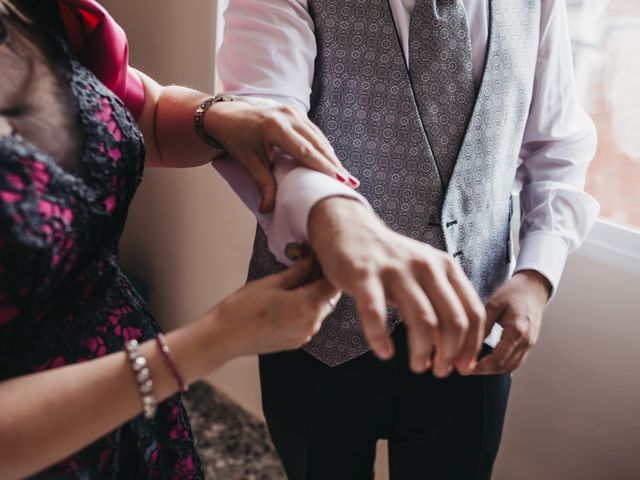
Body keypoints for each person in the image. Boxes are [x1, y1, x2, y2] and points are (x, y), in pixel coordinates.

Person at [216, 0, 600, 478]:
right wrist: (344, 229)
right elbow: (265, 125)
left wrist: (537, 274)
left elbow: (556, 146)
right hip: (317, 321)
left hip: (473, 323)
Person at [0, 0, 356, 478]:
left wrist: (214, 118)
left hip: (135, 421)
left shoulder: (37, 11)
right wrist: (210, 342)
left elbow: (138, 114)